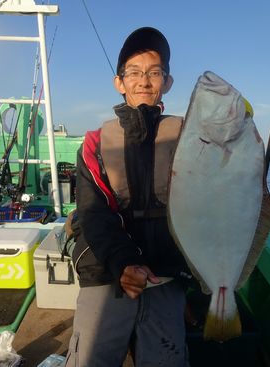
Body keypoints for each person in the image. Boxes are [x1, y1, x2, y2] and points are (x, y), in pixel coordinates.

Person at [65, 27, 191, 367]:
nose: (144, 81)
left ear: (167, 81)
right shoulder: (94, 142)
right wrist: (123, 264)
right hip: (107, 269)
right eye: (134, 73)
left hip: (166, 271)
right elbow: (93, 213)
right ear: (119, 82)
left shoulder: (190, 137)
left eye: (154, 72)